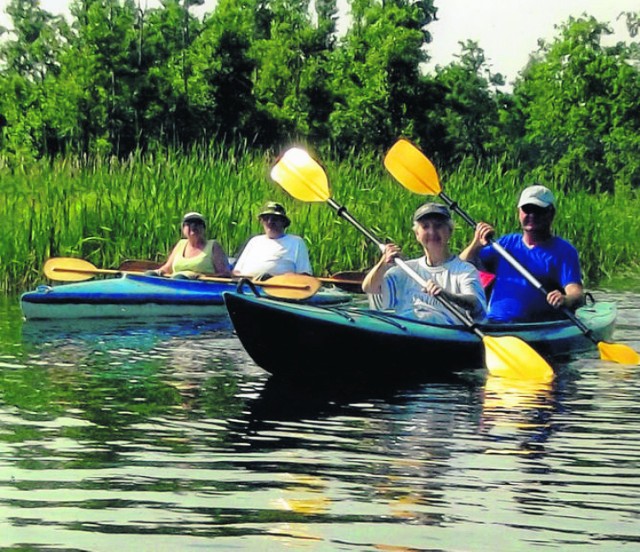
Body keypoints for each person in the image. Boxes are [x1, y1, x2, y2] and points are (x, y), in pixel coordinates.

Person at [459, 184, 585, 322]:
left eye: (538, 210)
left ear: (551, 213)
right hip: (494, 324)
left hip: (537, 328)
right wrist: (476, 243)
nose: (531, 215)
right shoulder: (505, 244)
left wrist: (565, 299)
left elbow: (577, 294)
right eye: (527, 209)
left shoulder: (564, 251)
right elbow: (462, 264)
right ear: (519, 212)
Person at [362, 203, 486, 324]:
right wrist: (383, 264)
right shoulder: (405, 270)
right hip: (405, 332)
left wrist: (446, 295)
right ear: (417, 234)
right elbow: (369, 288)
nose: (432, 232)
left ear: (449, 231)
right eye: (425, 227)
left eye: (438, 226)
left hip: (444, 335)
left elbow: (475, 304)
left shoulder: (464, 270)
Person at [232, 201, 312, 278]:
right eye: (266, 218)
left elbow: (304, 275)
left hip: (278, 289)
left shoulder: (296, 242)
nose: (270, 222)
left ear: (283, 222)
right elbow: (237, 271)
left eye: (275, 219)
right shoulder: (254, 241)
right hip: (246, 286)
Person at [151, 212, 231, 278]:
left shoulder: (213, 245)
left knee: (180, 277)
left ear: (204, 228)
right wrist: (158, 272)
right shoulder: (181, 244)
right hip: (175, 283)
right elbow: (167, 268)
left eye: (198, 223)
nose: (193, 226)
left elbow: (225, 273)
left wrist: (202, 276)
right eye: (188, 223)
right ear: (183, 228)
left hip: (200, 285)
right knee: (151, 274)